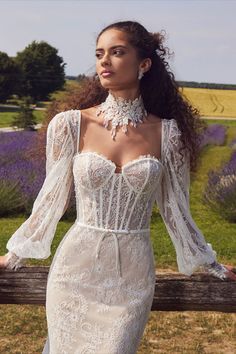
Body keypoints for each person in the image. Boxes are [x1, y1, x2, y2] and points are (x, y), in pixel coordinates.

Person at [1, 20, 236, 354]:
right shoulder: (70, 124)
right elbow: (50, 200)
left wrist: (211, 264)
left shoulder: (168, 135)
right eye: (99, 54)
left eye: (117, 52)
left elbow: (176, 210)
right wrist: (15, 256)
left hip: (132, 276)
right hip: (74, 273)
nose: (104, 61)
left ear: (143, 64)